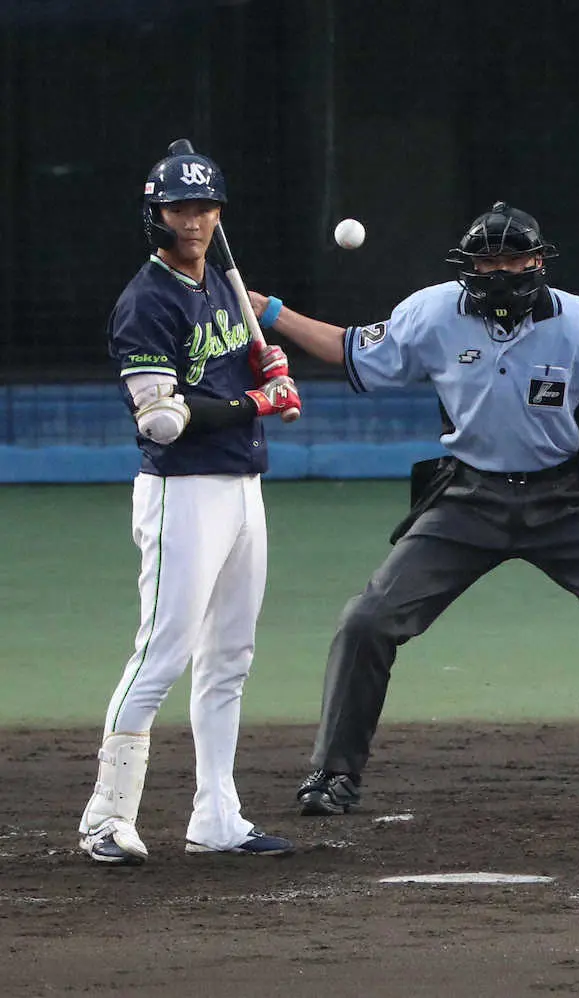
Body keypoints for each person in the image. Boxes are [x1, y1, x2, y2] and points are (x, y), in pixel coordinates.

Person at [247, 201, 579, 815]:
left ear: (539, 261)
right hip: (467, 499)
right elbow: (352, 352)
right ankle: (333, 773)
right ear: (467, 266)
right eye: (486, 259)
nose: (499, 271)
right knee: (366, 621)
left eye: (513, 257)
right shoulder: (432, 313)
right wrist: (270, 312)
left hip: (567, 502)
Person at [77, 150, 302, 864]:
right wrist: (253, 402)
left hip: (242, 485)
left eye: (205, 209)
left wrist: (266, 366)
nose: (195, 222)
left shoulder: (222, 290)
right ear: (157, 217)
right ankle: (104, 819)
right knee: (162, 652)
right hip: (183, 490)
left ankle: (217, 816)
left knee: (230, 654)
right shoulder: (147, 301)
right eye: (180, 210)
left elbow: (231, 369)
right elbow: (161, 420)